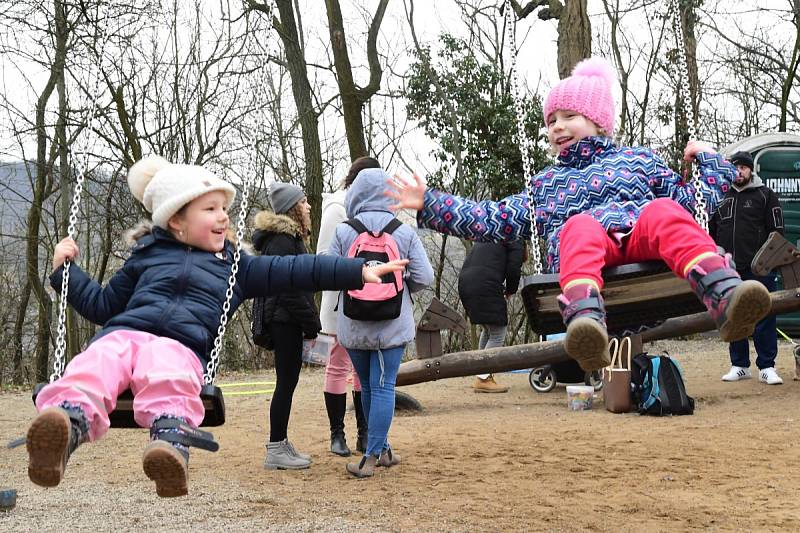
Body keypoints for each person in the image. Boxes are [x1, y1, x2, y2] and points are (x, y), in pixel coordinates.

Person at [26, 155, 407, 497]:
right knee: (97, 360)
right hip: (124, 334)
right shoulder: (145, 257)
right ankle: (65, 425)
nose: (224, 216)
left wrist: (359, 271)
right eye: (211, 208)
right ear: (176, 220)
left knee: (168, 371)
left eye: (225, 208)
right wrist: (66, 273)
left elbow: (298, 269)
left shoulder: (236, 267)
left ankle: (170, 443)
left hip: (180, 346)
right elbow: (102, 305)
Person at [386, 57, 772, 371]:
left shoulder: (640, 160)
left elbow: (694, 201)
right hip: (586, 256)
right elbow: (493, 218)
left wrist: (708, 159)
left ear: (598, 121)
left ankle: (725, 296)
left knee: (665, 211)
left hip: (644, 242)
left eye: (568, 116)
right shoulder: (546, 185)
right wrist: (431, 203)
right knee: (580, 227)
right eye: (551, 121)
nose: (557, 127)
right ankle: (587, 324)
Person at [330, 167, 434, 478]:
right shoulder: (402, 232)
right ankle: (374, 454)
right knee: (384, 386)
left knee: (367, 387)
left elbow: (331, 273)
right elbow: (425, 277)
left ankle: (379, 450)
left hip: (354, 325)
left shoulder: (344, 231)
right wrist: (400, 291)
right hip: (392, 326)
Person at [252, 183, 322, 469]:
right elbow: (288, 289)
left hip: (286, 318)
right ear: (292, 208)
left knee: (288, 382)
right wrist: (311, 322)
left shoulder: (287, 239)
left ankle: (280, 443)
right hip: (284, 320)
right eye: (304, 202)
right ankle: (275, 447)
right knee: (285, 383)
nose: (308, 207)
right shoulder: (282, 240)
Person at [316, 156, 380, 457]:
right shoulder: (337, 207)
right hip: (340, 301)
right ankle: (336, 434)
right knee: (339, 365)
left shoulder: (373, 209)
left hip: (368, 301)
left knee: (362, 369)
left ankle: (364, 433)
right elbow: (323, 256)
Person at [710, 150, 784, 385]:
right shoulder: (720, 196)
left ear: (751, 170)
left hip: (759, 268)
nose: (739, 171)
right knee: (734, 316)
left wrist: (766, 261)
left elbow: (777, 233)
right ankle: (740, 365)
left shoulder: (765, 195)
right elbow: (711, 232)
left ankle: (767, 366)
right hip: (729, 268)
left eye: (743, 167)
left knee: (765, 315)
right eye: (735, 167)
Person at [458, 241, 525, 393]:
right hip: (485, 283)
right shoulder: (515, 237)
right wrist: (511, 290)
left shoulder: (492, 232)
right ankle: (483, 378)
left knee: (488, 330)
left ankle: (482, 374)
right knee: (498, 333)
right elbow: (514, 268)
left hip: (466, 282)